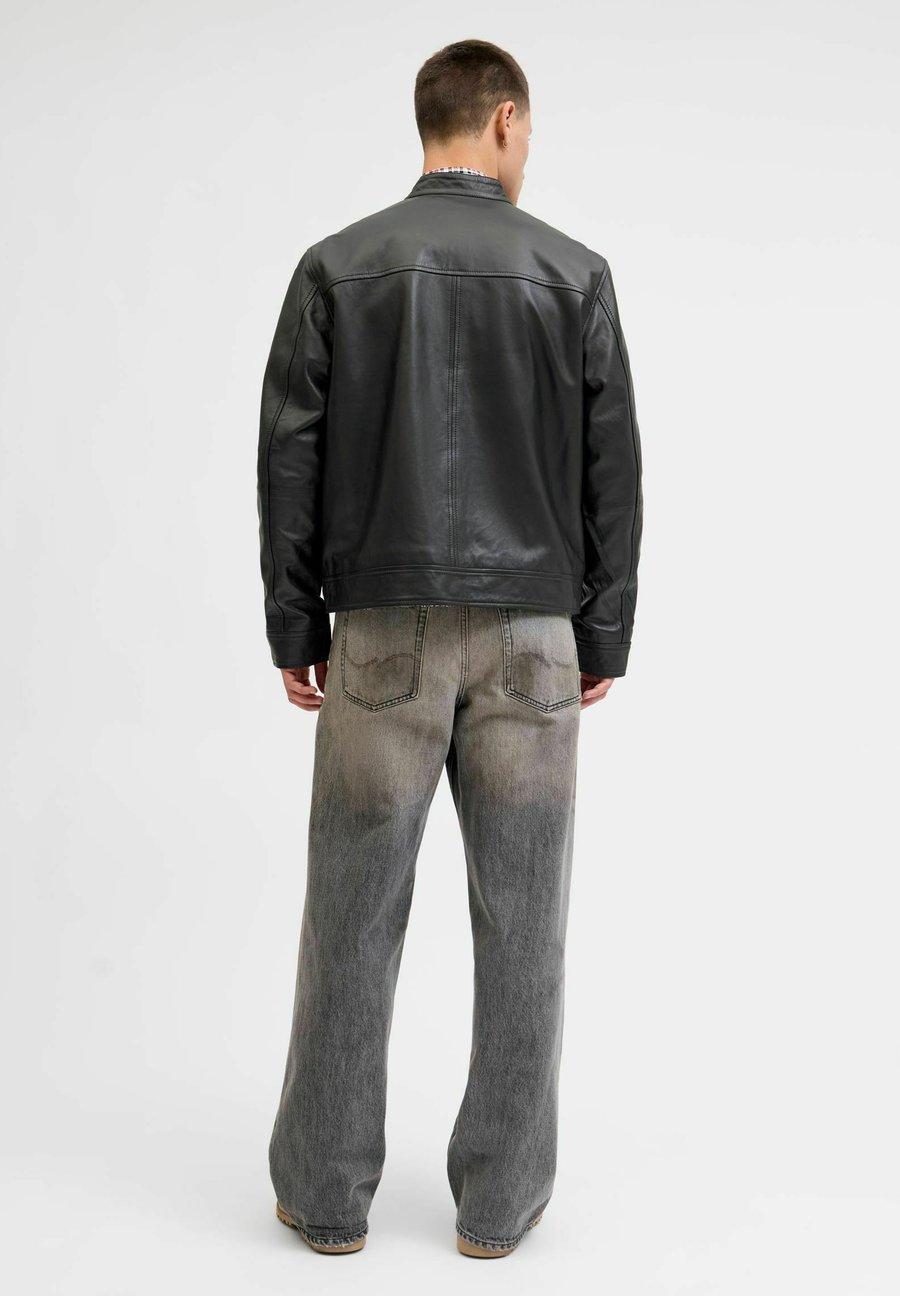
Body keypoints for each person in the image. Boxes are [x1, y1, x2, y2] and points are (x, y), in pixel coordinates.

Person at [257, 38, 642, 1259]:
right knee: (526, 925)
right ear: (506, 121)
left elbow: (290, 457)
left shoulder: (339, 266)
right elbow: (612, 473)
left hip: (379, 628)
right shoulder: (574, 274)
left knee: (350, 914)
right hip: (535, 633)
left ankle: (325, 1195)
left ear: (429, 121)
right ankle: (499, 1206)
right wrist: (603, 628)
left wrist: (295, 621)